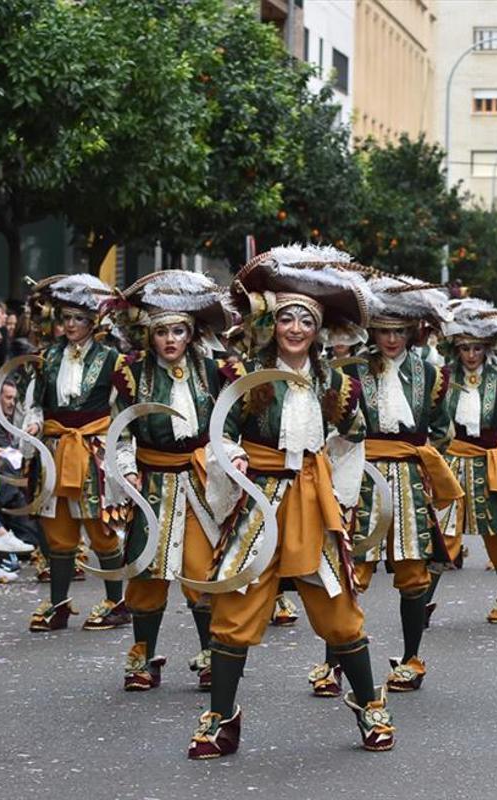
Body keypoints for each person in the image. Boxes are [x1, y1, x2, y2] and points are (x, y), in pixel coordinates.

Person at [187, 245, 394, 758]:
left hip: (311, 497)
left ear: (318, 330)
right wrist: (232, 460)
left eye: (305, 320)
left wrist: (341, 499)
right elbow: (221, 431)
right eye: (287, 319)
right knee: (234, 608)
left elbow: (352, 441)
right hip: (256, 500)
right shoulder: (244, 377)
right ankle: (220, 719)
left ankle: (370, 708)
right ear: (273, 324)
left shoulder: (338, 383)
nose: (296, 329)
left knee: (340, 612)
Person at [107, 272, 244, 692]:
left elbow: (230, 423)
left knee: (203, 571)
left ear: (191, 333)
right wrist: (126, 469)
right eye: (162, 331)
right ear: (149, 336)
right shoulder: (131, 373)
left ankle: (209, 653)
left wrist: (231, 459)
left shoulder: (215, 369)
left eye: (178, 331)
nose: (170, 340)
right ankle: (142, 656)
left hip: (202, 481)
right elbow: (121, 430)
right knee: (147, 573)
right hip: (152, 483)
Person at [348, 274, 462, 693]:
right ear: (371, 330)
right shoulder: (354, 371)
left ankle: (412, 657)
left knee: (413, 574)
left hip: (411, 477)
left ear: (412, 331)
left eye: (399, 331)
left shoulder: (431, 374)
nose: (391, 339)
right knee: (352, 568)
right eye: (383, 331)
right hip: (362, 476)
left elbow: (443, 429)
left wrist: (424, 462)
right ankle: (338, 658)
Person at [15, 275, 132, 633]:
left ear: (93, 322)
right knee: (58, 531)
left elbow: (123, 412)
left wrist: (124, 456)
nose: (70, 325)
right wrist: (33, 425)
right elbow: (33, 403)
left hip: (93, 451)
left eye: (78, 318)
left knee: (101, 527)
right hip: (54, 448)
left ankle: (117, 601)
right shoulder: (46, 358)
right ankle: (59, 603)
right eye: (65, 318)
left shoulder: (113, 360)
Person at [432, 298, 497, 624]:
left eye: (477, 348)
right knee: (442, 532)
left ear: (486, 348)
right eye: (465, 348)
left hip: (489, 463)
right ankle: (421, 603)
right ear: (456, 348)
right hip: (452, 461)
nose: (471, 355)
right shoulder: (442, 379)